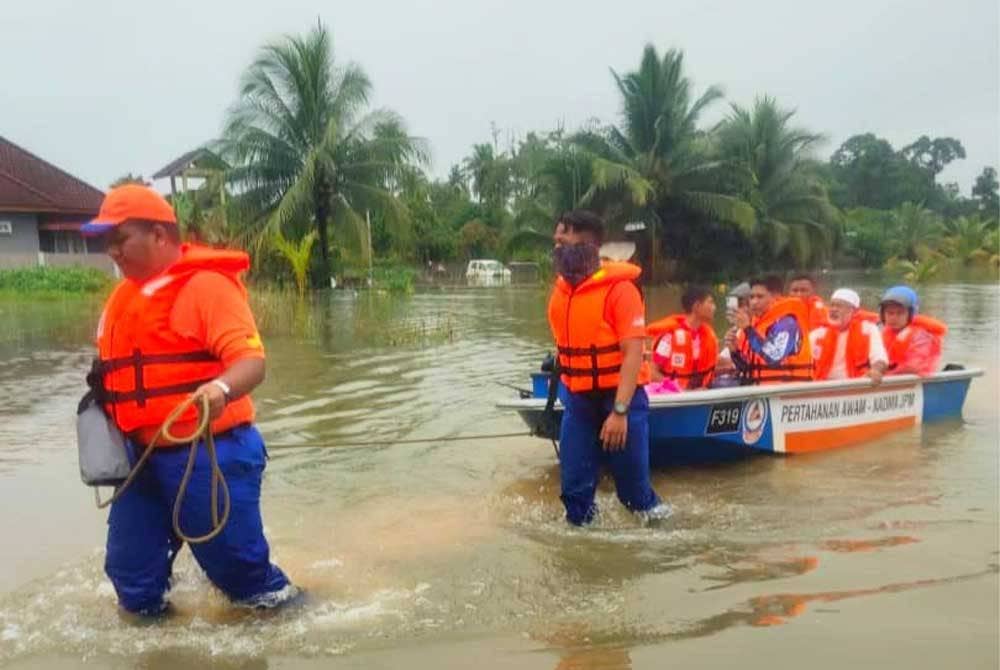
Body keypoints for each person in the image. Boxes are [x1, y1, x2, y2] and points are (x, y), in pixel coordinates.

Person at [80, 184, 295, 616]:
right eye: (106, 242)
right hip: (139, 460)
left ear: (159, 235)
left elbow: (251, 361)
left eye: (120, 239)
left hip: (210, 455)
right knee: (132, 583)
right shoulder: (121, 299)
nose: (112, 252)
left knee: (244, 582)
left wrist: (220, 389)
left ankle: (294, 621)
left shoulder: (206, 287)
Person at [547, 209, 670, 526]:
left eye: (565, 233)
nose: (557, 239)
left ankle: (668, 534)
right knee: (574, 495)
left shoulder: (621, 290)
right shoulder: (561, 293)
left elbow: (633, 352)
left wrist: (619, 412)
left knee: (633, 496)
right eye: (557, 234)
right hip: (578, 402)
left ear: (587, 242)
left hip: (620, 400)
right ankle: (583, 560)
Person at [727, 276, 812, 384]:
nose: (754, 302)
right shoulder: (756, 325)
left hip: (789, 393)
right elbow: (747, 369)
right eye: (752, 297)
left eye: (760, 297)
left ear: (775, 297)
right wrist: (735, 352)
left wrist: (748, 330)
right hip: (762, 391)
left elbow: (774, 357)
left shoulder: (787, 323)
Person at [647, 285, 719, 390]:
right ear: (697, 306)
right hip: (675, 396)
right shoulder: (670, 337)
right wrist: (678, 389)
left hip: (701, 393)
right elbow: (652, 372)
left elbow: (710, 367)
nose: (714, 307)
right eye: (710, 302)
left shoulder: (708, 336)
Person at [809, 288, 887, 383]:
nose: (833, 309)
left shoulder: (868, 329)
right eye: (832, 305)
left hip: (856, 386)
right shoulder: (818, 334)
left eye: (839, 306)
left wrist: (876, 370)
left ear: (853, 311)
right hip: (822, 387)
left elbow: (879, 358)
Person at [879, 285, 947, 376]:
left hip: (915, 383)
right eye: (890, 313)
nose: (894, 318)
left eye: (900, 313)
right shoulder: (885, 332)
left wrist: (884, 376)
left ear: (911, 314)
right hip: (892, 380)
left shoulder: (922, 336)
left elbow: (914, 366)